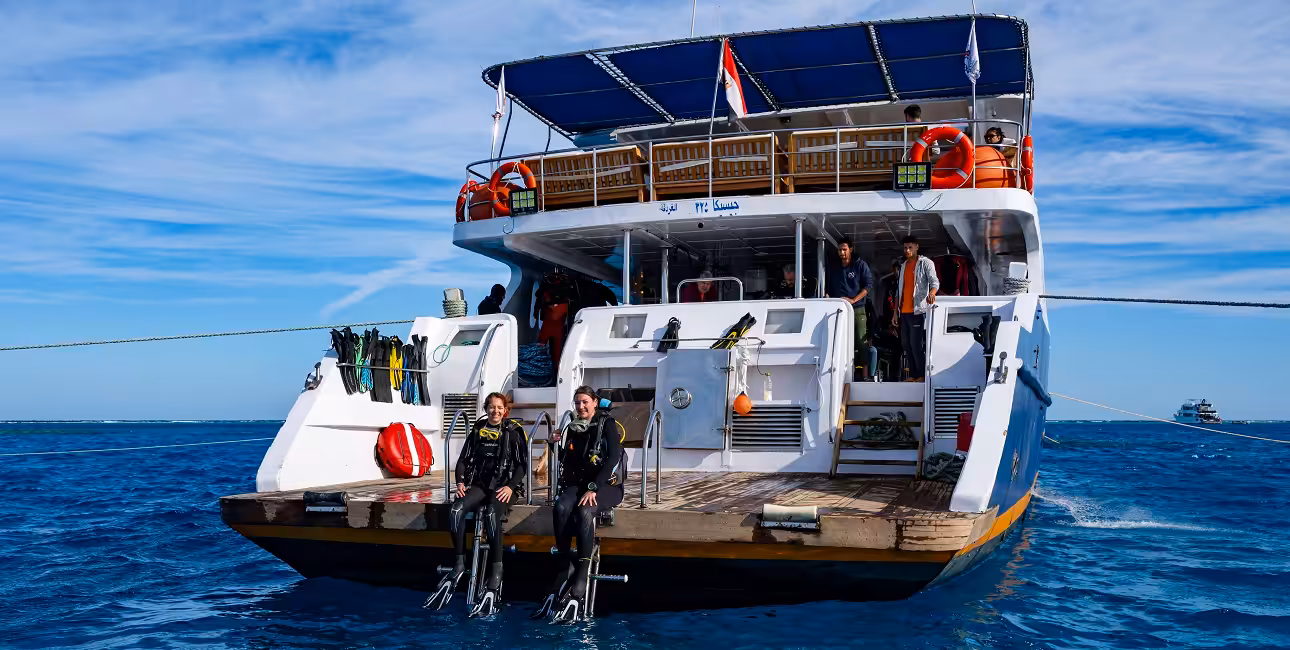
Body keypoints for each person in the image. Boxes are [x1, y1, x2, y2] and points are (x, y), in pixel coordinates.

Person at [425, 392, 528, 614]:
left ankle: (496, 570)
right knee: (455, 510)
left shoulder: (513, 433)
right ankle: (460, 563)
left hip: (505, 487)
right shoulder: (477, 431)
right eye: (491, 407)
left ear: (505, 410)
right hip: (480, 485)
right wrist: (460, 482)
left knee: (491, 514)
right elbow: (462, 460)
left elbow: (522, 466)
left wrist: (510, 486)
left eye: (499, 407)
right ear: (486, 408)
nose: (495, 411)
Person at [532, 386, 624, 622]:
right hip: (578, 485)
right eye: (577, 403)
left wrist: (594, 487)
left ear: (594, 402)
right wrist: (553, 445)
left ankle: (581, 577)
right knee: (561, 506)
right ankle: (565, 568)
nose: (581, 407)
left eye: (585, 402)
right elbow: (567, 459)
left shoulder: (607, 424)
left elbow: (613, 458)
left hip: (606, 487)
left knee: (585, 511)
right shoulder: (573, 427)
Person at [826, 237, 875, 380]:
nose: (842, 252)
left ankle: (865, 375)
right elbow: (827, 288)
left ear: (851, 249)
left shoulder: (860, 265)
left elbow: (868, 286)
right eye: (840, 250)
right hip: (838, 310)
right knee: (838, 339)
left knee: (861, 339)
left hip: (857, 308)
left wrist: (854, 300)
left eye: (844, 249)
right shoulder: (833, 267)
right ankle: (841, 373)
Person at [894, 236, 940, 382]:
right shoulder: (903, 266)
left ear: (916, 247)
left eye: (910, 247)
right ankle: (913, 375)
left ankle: (920, 375)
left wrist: (932, 293)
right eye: (905, 248)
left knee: (916, 344)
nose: (907, 250)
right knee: (906, 345)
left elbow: (935, 281)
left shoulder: (925, 263)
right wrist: (895, 312)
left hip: (918, 310)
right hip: (904, 312)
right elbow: (898, 292)